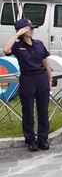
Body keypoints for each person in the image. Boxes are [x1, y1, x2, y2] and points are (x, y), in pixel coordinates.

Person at [3, 19, 52, 151]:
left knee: (43, 109)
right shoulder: (17, 45)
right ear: (21, 30)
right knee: (28, 111)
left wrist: (49, 77)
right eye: (28, 28)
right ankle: (30, 139)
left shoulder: (39, 44)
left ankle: (43, 138)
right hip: (28, 78)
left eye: (32, 28)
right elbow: (6, 50)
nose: (32, 30)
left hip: (41, 77)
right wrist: (17, 34)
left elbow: (45, 61)